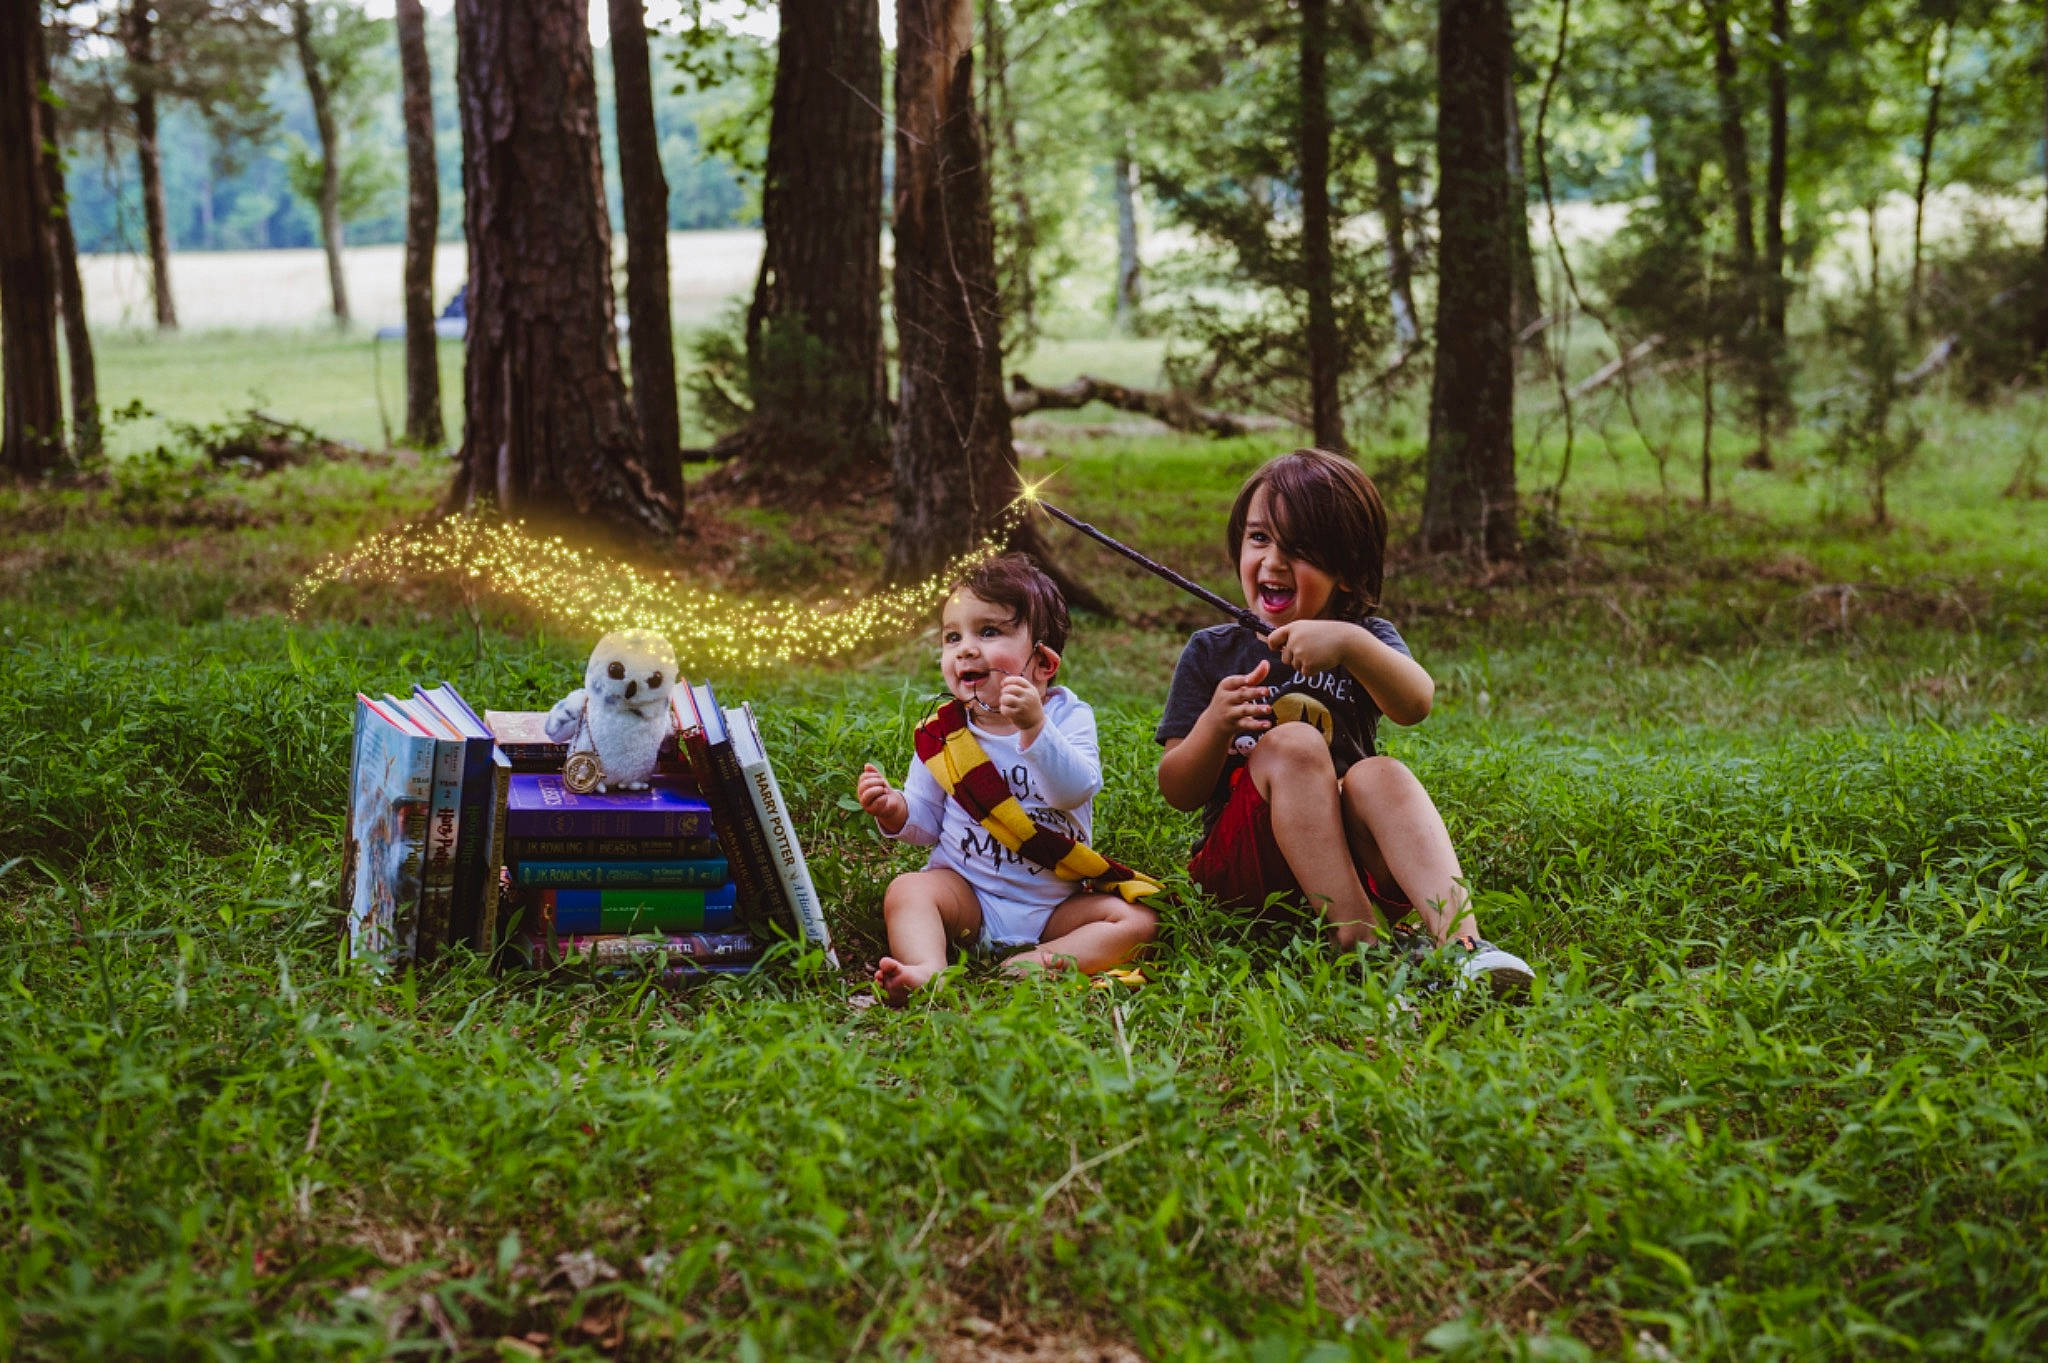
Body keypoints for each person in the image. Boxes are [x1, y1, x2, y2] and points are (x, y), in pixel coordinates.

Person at [1154, 448, 1534, 995]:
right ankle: (1364, 952)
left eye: (1302, 548)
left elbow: (1415, 704)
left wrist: (1352, 644)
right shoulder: (1213, 652)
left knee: (1382, 774)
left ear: (1349, 572)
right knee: (1294, 745)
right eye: (1259, 538)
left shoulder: (1364, 639)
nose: (1274, 562)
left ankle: (1465, 947)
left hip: (1352, 867)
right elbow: (1178, 791)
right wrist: (1214, 724)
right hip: (1247, 877)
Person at [856, 553, 1159, 1005]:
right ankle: (928, 971)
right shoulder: (944, 733)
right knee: (908, 890)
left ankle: (1042, 961)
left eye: (989, 631)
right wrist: (895, 810)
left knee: (1140, 923)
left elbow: (1072, 789)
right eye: (952, 636)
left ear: (1044, 663)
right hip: (968, 897)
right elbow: (927, 824)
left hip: (1054, 905)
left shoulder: (1068, 717)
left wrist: (1035, 729)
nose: (966, 648)